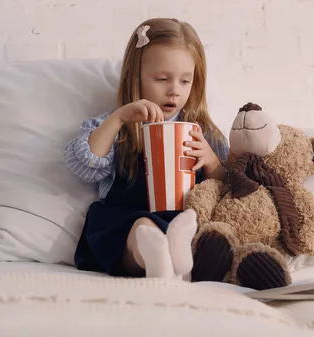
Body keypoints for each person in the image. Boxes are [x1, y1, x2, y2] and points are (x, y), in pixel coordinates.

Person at [63, 18, 229, 280]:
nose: (174, 91)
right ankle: (159, 261)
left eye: (185, 81)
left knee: (191, 227)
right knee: (143, 228)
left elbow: (229, 189)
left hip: (185, 219)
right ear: (135, 76)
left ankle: (176, 257)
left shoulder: (204, 132)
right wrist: (118, 118)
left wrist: (212, 162)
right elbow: (85, 165)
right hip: (125, 221)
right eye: (162, 78)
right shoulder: (116, 124)